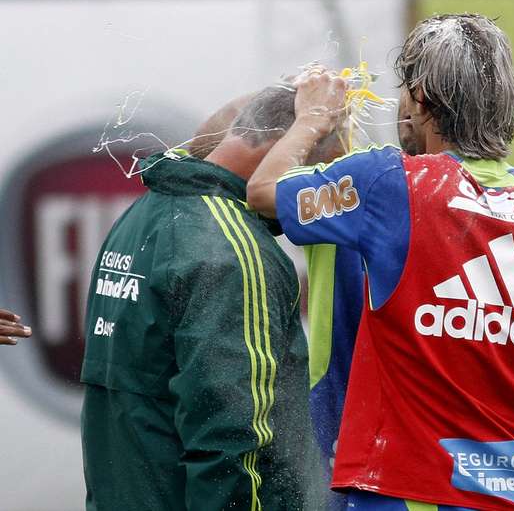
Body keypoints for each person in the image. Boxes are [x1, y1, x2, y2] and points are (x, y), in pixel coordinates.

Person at [247, 13, 514, 511]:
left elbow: (261, 191)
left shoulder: (390, 183)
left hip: (408, 493)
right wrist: (493, 394)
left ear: (423, 98)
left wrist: (312, 119)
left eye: (404, 88)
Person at [80, 85, 335, 510]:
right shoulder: (231, 248)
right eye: (320, 174)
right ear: (285, 152)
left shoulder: (146, 212)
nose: (309, 202)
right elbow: (237, 432)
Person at [191, 85, 364, 511]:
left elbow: (262, 190)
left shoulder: (363, 182)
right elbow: (210, 152)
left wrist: (311, 121)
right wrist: (300, 111)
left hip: (342, 433)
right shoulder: (357, 186)